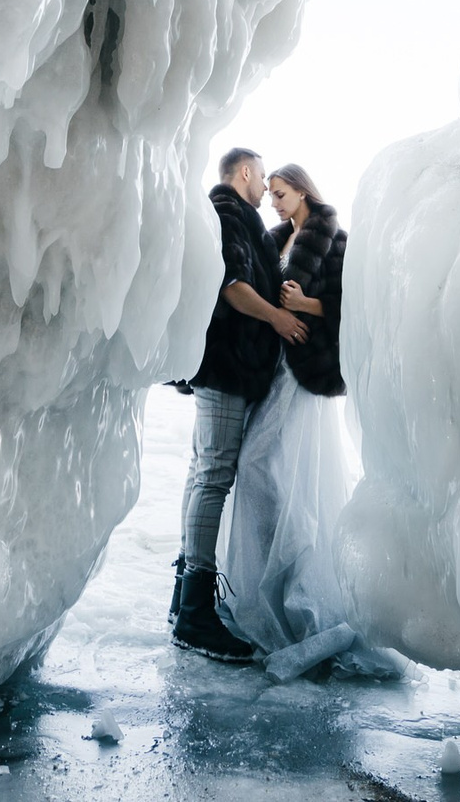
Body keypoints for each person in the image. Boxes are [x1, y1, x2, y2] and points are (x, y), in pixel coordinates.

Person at [218, 162, 380, 675]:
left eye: (280, 193)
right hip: (274, 372)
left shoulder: (335, 240)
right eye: (269, 195)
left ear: (303, 191)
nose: (273, 202)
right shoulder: (274, 240)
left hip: (305, 376)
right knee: (264, 471)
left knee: (289, 475)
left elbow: (356, 304)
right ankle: (273, 584)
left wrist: (306, 303)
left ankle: (305, 600)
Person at [171, 146, 310, 661]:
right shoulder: (230, 211)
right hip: (226, 368)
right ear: (246, 172)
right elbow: (232, 285)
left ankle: (184, 596)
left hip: (223, 367)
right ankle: (194, 614)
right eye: (263, 183)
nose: (264, 195)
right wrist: (277, 319)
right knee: (213, 475)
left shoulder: (227, 216)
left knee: (203, 472)